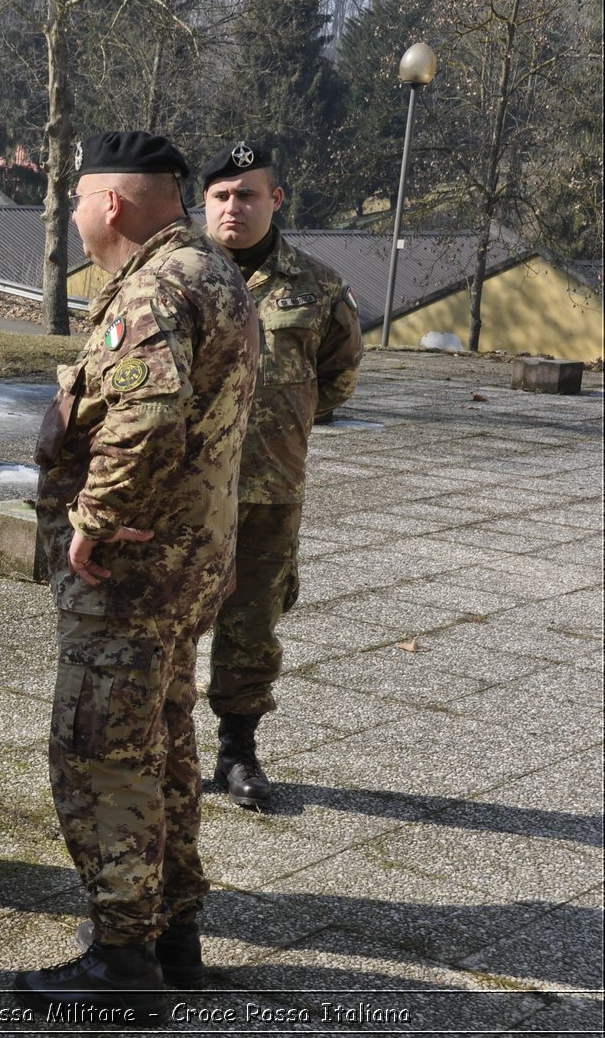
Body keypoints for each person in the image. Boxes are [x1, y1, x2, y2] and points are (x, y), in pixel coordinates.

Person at [18, 131, 258, 1018]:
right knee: (164, 739)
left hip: (133, 570)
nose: (73, 215)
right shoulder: (209, 274)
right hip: (189, 561)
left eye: (76, 198)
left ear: (110, 203)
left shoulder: (154, 289)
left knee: (100, 751)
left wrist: (94, 520)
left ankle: (122, 958)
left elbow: (148, 417)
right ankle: (172, 933)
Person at [201, 142, 363, 807]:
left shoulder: (318, 288)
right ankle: (153, 745)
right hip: (180, 491)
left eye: (247, 194)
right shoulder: (173, 275)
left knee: (252, 623)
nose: (233, 207)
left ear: (276, 200)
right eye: (220, 196)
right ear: (203, 202)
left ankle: (237, 754)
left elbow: (337, 380)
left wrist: (274, 427)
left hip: (268, 491)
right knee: (160, 623)